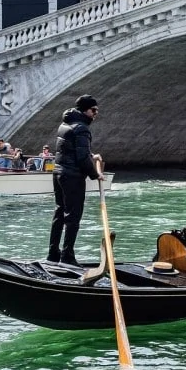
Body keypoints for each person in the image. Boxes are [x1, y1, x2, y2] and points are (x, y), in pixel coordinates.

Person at [47, 95, 103, 266]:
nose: (96, 114)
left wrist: (91, 155)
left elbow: (70, 149)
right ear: (85, 110)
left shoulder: (65, 124)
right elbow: (81, 159)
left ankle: (53, 254)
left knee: (59, 214)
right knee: (73, 217)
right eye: (93, 110)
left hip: (58, 174)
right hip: (72, 177)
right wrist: (96, 175)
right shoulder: (82, 128)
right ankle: (67, 257)